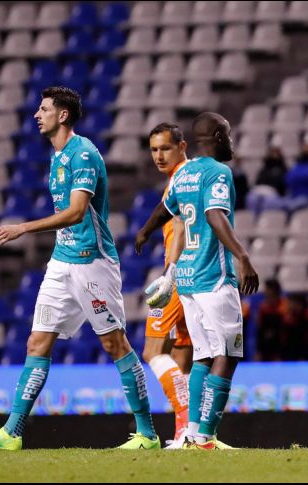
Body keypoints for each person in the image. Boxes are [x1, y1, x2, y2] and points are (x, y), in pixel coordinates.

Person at [0, 87, 159, 450]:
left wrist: (23, 227)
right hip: (62, 262)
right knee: (37, 341)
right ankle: (12, 432)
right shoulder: (57, 157)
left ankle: (147, 434)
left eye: (44, 109)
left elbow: (76, 212)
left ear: (63, 115)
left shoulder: (81, 153)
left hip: (92, 264)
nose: (37, 115)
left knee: (114, 344)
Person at [144, 112, 259, 450]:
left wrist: (145, 230)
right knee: (228, 355)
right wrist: (243, 257)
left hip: (188, 280)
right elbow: (214, 215)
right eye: (228, 133)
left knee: (203, 357)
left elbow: (167, 209)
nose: (232, 141)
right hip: (214, 278)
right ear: (217, 136)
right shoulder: (218, 172)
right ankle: (206, 435)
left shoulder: (184, 173)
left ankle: (192, 432)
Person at [133, 123, 193, 448]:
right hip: (192, 275)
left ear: (182, 146)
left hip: (180, 274)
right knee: (182, 353)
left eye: (165, 148)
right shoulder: (182, 176)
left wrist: (170, 272)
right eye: (154, 149)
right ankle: (184, 432)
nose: (158, 155)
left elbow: (181, 226)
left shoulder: (182, 177)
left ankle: (189, 427)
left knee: (153, 350)